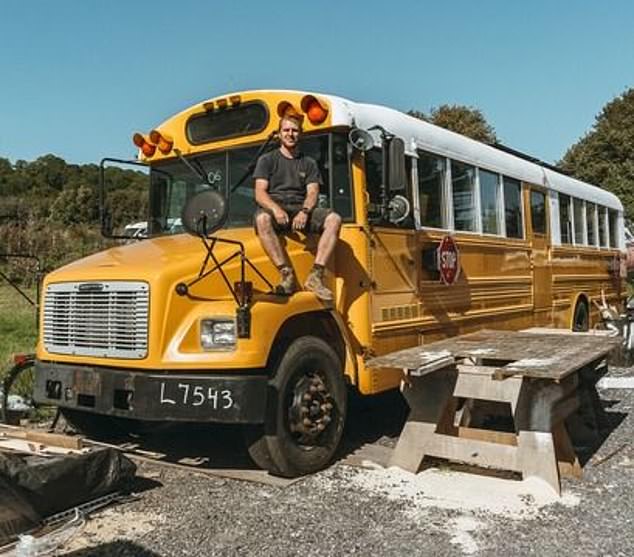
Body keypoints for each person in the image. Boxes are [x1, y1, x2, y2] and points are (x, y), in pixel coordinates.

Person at [253, 112, 342, 301]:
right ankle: (286, 275)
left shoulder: (308, 163)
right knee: (262, 219)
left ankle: (316, 275)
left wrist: (305, 211)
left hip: (299, 206)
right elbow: (260, 193)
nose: (290, 134)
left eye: (294, 130)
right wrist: (276, 209)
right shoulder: (267, 160)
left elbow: (312, 192)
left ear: (300, 134)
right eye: (286, 130)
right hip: (276, 206)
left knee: (334, 219)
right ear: (279, 134)